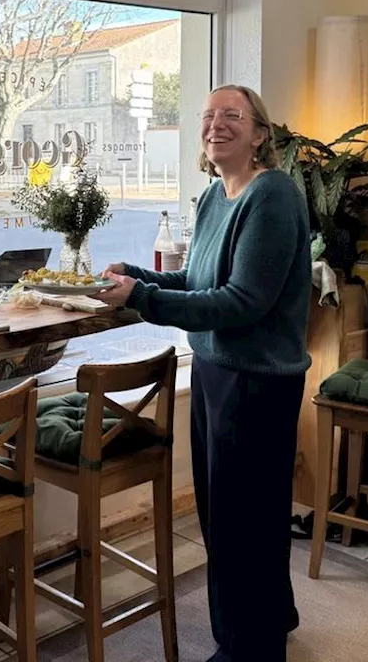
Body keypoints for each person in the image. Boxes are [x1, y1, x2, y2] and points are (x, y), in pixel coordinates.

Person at [94, 84, 311, 662]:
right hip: (220, 371)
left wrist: (143, 298)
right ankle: (269, 617)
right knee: (228, 514)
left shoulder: (273, 196)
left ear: (260, 133)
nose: (217, 125)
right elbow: (198, 278)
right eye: (209, 115)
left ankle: (251, 647)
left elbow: (242, 300)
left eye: (232, 116)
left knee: (246, 522)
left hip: (258, 380)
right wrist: (137, 276)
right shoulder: (217, 196)